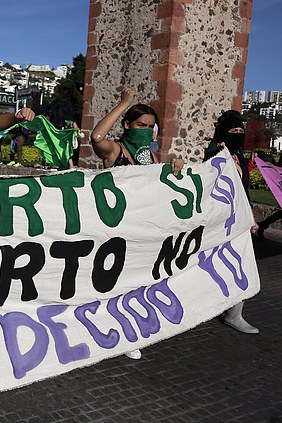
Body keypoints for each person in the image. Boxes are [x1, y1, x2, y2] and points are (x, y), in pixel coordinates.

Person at [91, 88, 184, 360]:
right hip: (109, 230)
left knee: (133, 283)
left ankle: (127, 332)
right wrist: (124, 103)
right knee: (105, 283)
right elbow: (96, 137)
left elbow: (166, 181)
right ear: (127, 125)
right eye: (141, 125)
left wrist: (177, 163)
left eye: (151, 127)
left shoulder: (153, 159)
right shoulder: (115, 150)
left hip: (139, 231)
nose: (146, 131)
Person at [203, 110, 260, 334]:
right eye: (233, 131)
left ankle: (234, 313)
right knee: (214, 264)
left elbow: (243, 190)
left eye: (240, 131)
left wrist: (251, 217)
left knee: (242, 263)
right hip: (220, 220)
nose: (238, 134)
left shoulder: (241, 157)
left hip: (239, 221)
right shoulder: (215, 154)